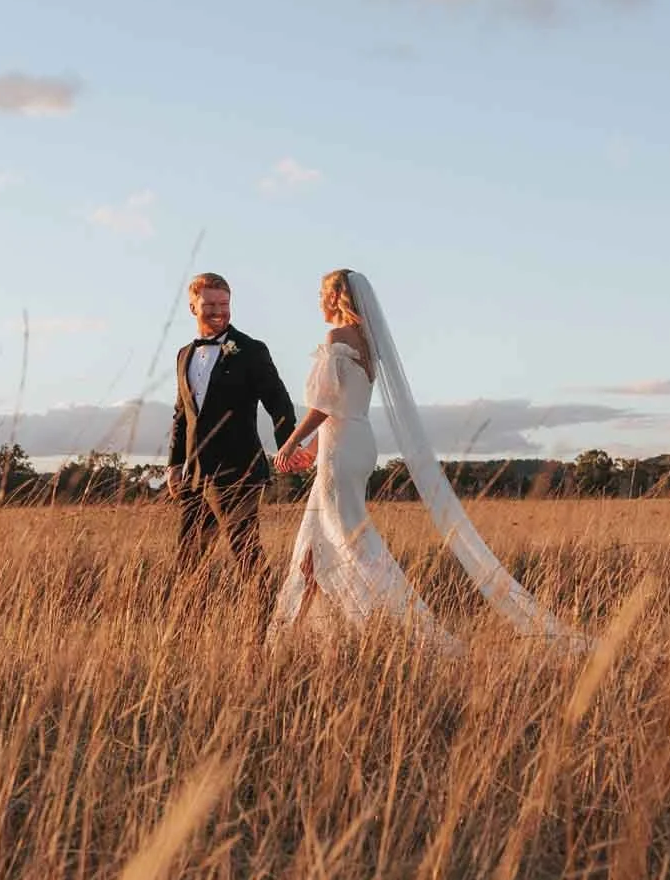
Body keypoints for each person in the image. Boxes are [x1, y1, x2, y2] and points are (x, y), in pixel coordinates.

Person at [270, 269, 583, 651]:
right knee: (318, 539)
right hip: (356, 441)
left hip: (342, 447)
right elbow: (346, 406)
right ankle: (289, 635)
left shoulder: (337, 338)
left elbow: (324, 404)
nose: (318, 301)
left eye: (322, 293)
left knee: (348, 540)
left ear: (336, 297)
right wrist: (313, 451)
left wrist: (289, 443)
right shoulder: (370, 344)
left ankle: (403, 624)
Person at [168, 272, 299, 619]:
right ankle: (187, 635)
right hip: (195, 474)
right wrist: (173, 464)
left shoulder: (251, 350)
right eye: (210, 304)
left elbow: (279, 402)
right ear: (193, 306)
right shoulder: (183, 355)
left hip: (240, 471)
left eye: (223, 304)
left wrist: (286, 446)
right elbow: (182, 415)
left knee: (246, 554)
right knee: (189, 557)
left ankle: (264, 630)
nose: (218, 311)